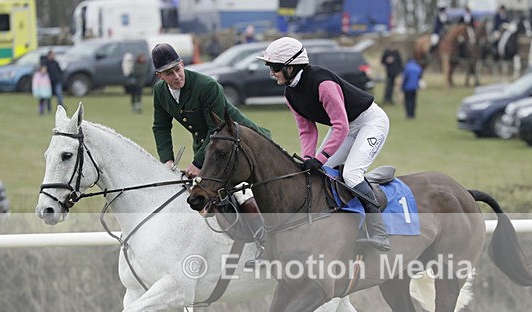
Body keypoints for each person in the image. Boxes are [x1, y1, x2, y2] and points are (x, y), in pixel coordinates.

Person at [258, 37, 391, 252]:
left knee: (352, 175)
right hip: (346, 127)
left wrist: (319, 159)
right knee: (317, 175)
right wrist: (308, 159)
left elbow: (340, 126)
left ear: (290, 67)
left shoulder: (322, 83)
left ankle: (379, 232)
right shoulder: (290, 93)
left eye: (274, 67)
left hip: (370, 122)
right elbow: (307, 130)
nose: (271, 73)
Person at [151, 43, 272, 264]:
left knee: (241, 191)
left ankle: (266, 244)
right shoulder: (160, 93)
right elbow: (160, 127)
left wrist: (198, 163)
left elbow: (217, 129)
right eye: (170, 73)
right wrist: (166, 161)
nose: (177, 76)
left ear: (182, 64)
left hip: (240, 141)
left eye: (178, 68)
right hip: (212, 147)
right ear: (160, 76)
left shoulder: (207, 86)